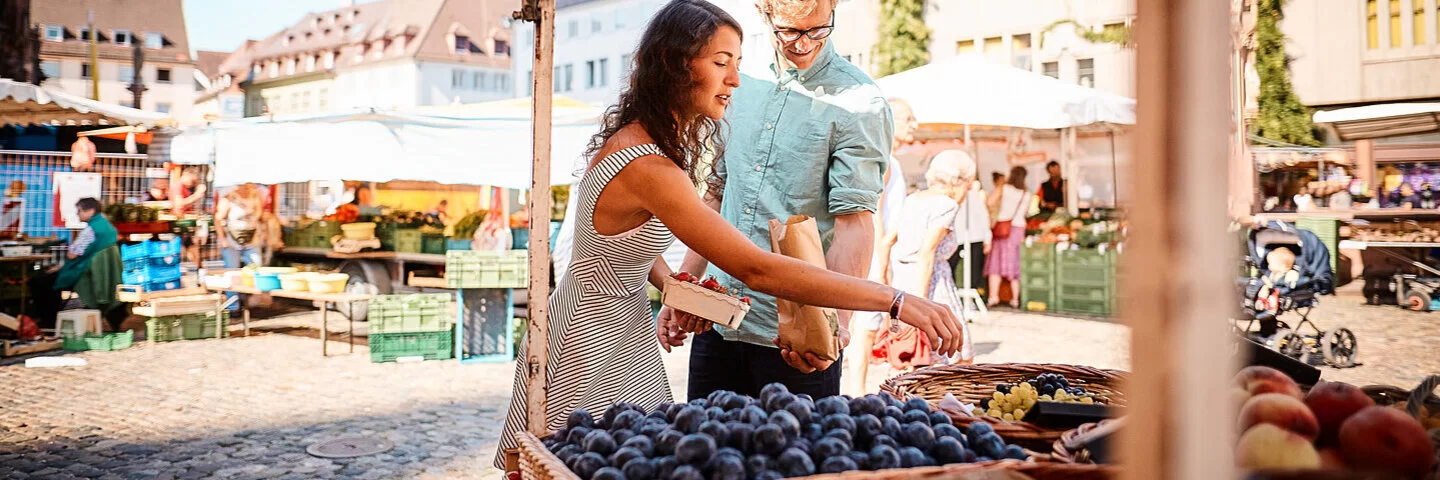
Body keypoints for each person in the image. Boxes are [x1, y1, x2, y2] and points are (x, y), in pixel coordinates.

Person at [494, 0, 963, 468]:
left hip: (635, 330)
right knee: (598, 462)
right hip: (598, 341)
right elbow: (752, 265)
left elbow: (623, 248)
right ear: (675, 65)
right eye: (721, 64)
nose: (735, 79)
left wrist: (680, 288)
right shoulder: (651, 164)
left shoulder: (641, 142)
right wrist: (894, 300)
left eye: (736, 63)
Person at [661, 0, 896, 402]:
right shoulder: (739, 80)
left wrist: (834, 325)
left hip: (794, 336)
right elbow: (716, 193)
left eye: (818, 30)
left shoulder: (860, 102)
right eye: (789, 31)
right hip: (717, 321)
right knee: (704, 456)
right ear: (764, 13)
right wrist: (685, 287)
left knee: (795, 462)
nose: (804, 44)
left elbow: (854, 224)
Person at [872, 150, 978, 369]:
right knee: (957, 353)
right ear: (960, 181)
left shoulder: (913, 199)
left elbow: (887, 241)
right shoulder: (946, 205)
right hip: (930, 282)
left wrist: (885, 277)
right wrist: (921, 303)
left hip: (902, 280)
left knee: (916, 356)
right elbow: (927, 253)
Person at [844, 97, 913, 395]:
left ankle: (856, 389)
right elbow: (875, 213)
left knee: (868, 327)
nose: (916, 125)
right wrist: (882, 261)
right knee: (866, 327)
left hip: (880, 251)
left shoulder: (891, 159)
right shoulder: (883, 159)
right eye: (909, 119)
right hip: (875, 252)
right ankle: (856, 391)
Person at [27, 198, 119, 330]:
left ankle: (49, 321)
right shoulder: (106, 226)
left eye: (79, 211)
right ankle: (50, 320)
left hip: (83, 272)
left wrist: (62, 265)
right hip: (97, 272)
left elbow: (72, 254)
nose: (78, 214)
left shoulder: (91, 230)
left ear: (91, 211)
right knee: (48, 279)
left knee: (40, 282)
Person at [986, 166, 1032, 308]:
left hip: (1003, 229)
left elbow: (989, 202)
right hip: (1018, 230)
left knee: (996, 263)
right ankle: (1015, 299)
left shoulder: (1004, 188)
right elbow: (1026, 214)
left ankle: (993, 297)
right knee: (1015, 262)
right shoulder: (1027, 194)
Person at [947, 164, 993, 298]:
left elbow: (983, 216)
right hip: (959, 236)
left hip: (971, 235)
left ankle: (968, 297)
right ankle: (952, 296)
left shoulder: (973, 195)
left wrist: (987, 237)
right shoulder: (951, 196)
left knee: (973, 270)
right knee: (952, 267)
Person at [215, 183, 265, 268]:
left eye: (249, 183)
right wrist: (222, 240)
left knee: (256, 268)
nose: (247, 185)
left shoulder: (256, 196)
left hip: (252, 239)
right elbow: (218, 218)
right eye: (244, 183)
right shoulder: (229, 198)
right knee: (233, 270)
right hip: (232, 241)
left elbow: (260, 217)